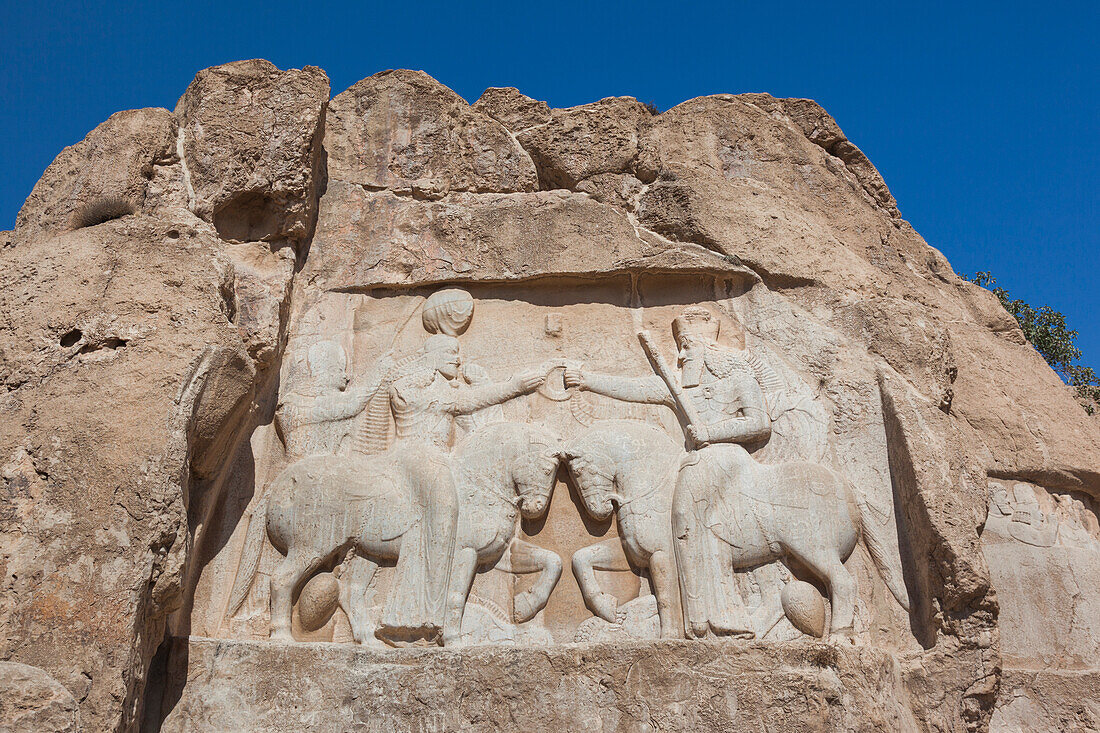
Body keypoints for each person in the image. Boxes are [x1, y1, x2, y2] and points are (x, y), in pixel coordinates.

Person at [564, 307, 771, 638]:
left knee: (688, 495)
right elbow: (639, 389)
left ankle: (719, 614)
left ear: (708, 347)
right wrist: (588, 381)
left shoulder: (739, 380)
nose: (681, 354)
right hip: (696, 464)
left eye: (687, 345)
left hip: (726, 459)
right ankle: (692, 613)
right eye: (679, 346)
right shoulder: (680, 388)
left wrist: (711, 433)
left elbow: (760, 423)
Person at [376, 333, 546, 645]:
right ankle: (417, 616)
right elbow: (459, 401)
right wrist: (515, 386)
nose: (457, 359)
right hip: (417, 456)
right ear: (432, 356)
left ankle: (437, 612)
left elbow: (472, 410)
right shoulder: (410, 388)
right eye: (450, 353)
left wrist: (514, 388)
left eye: (458, 353)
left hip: (442, 460)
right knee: (445, 512)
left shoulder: (441, 389)